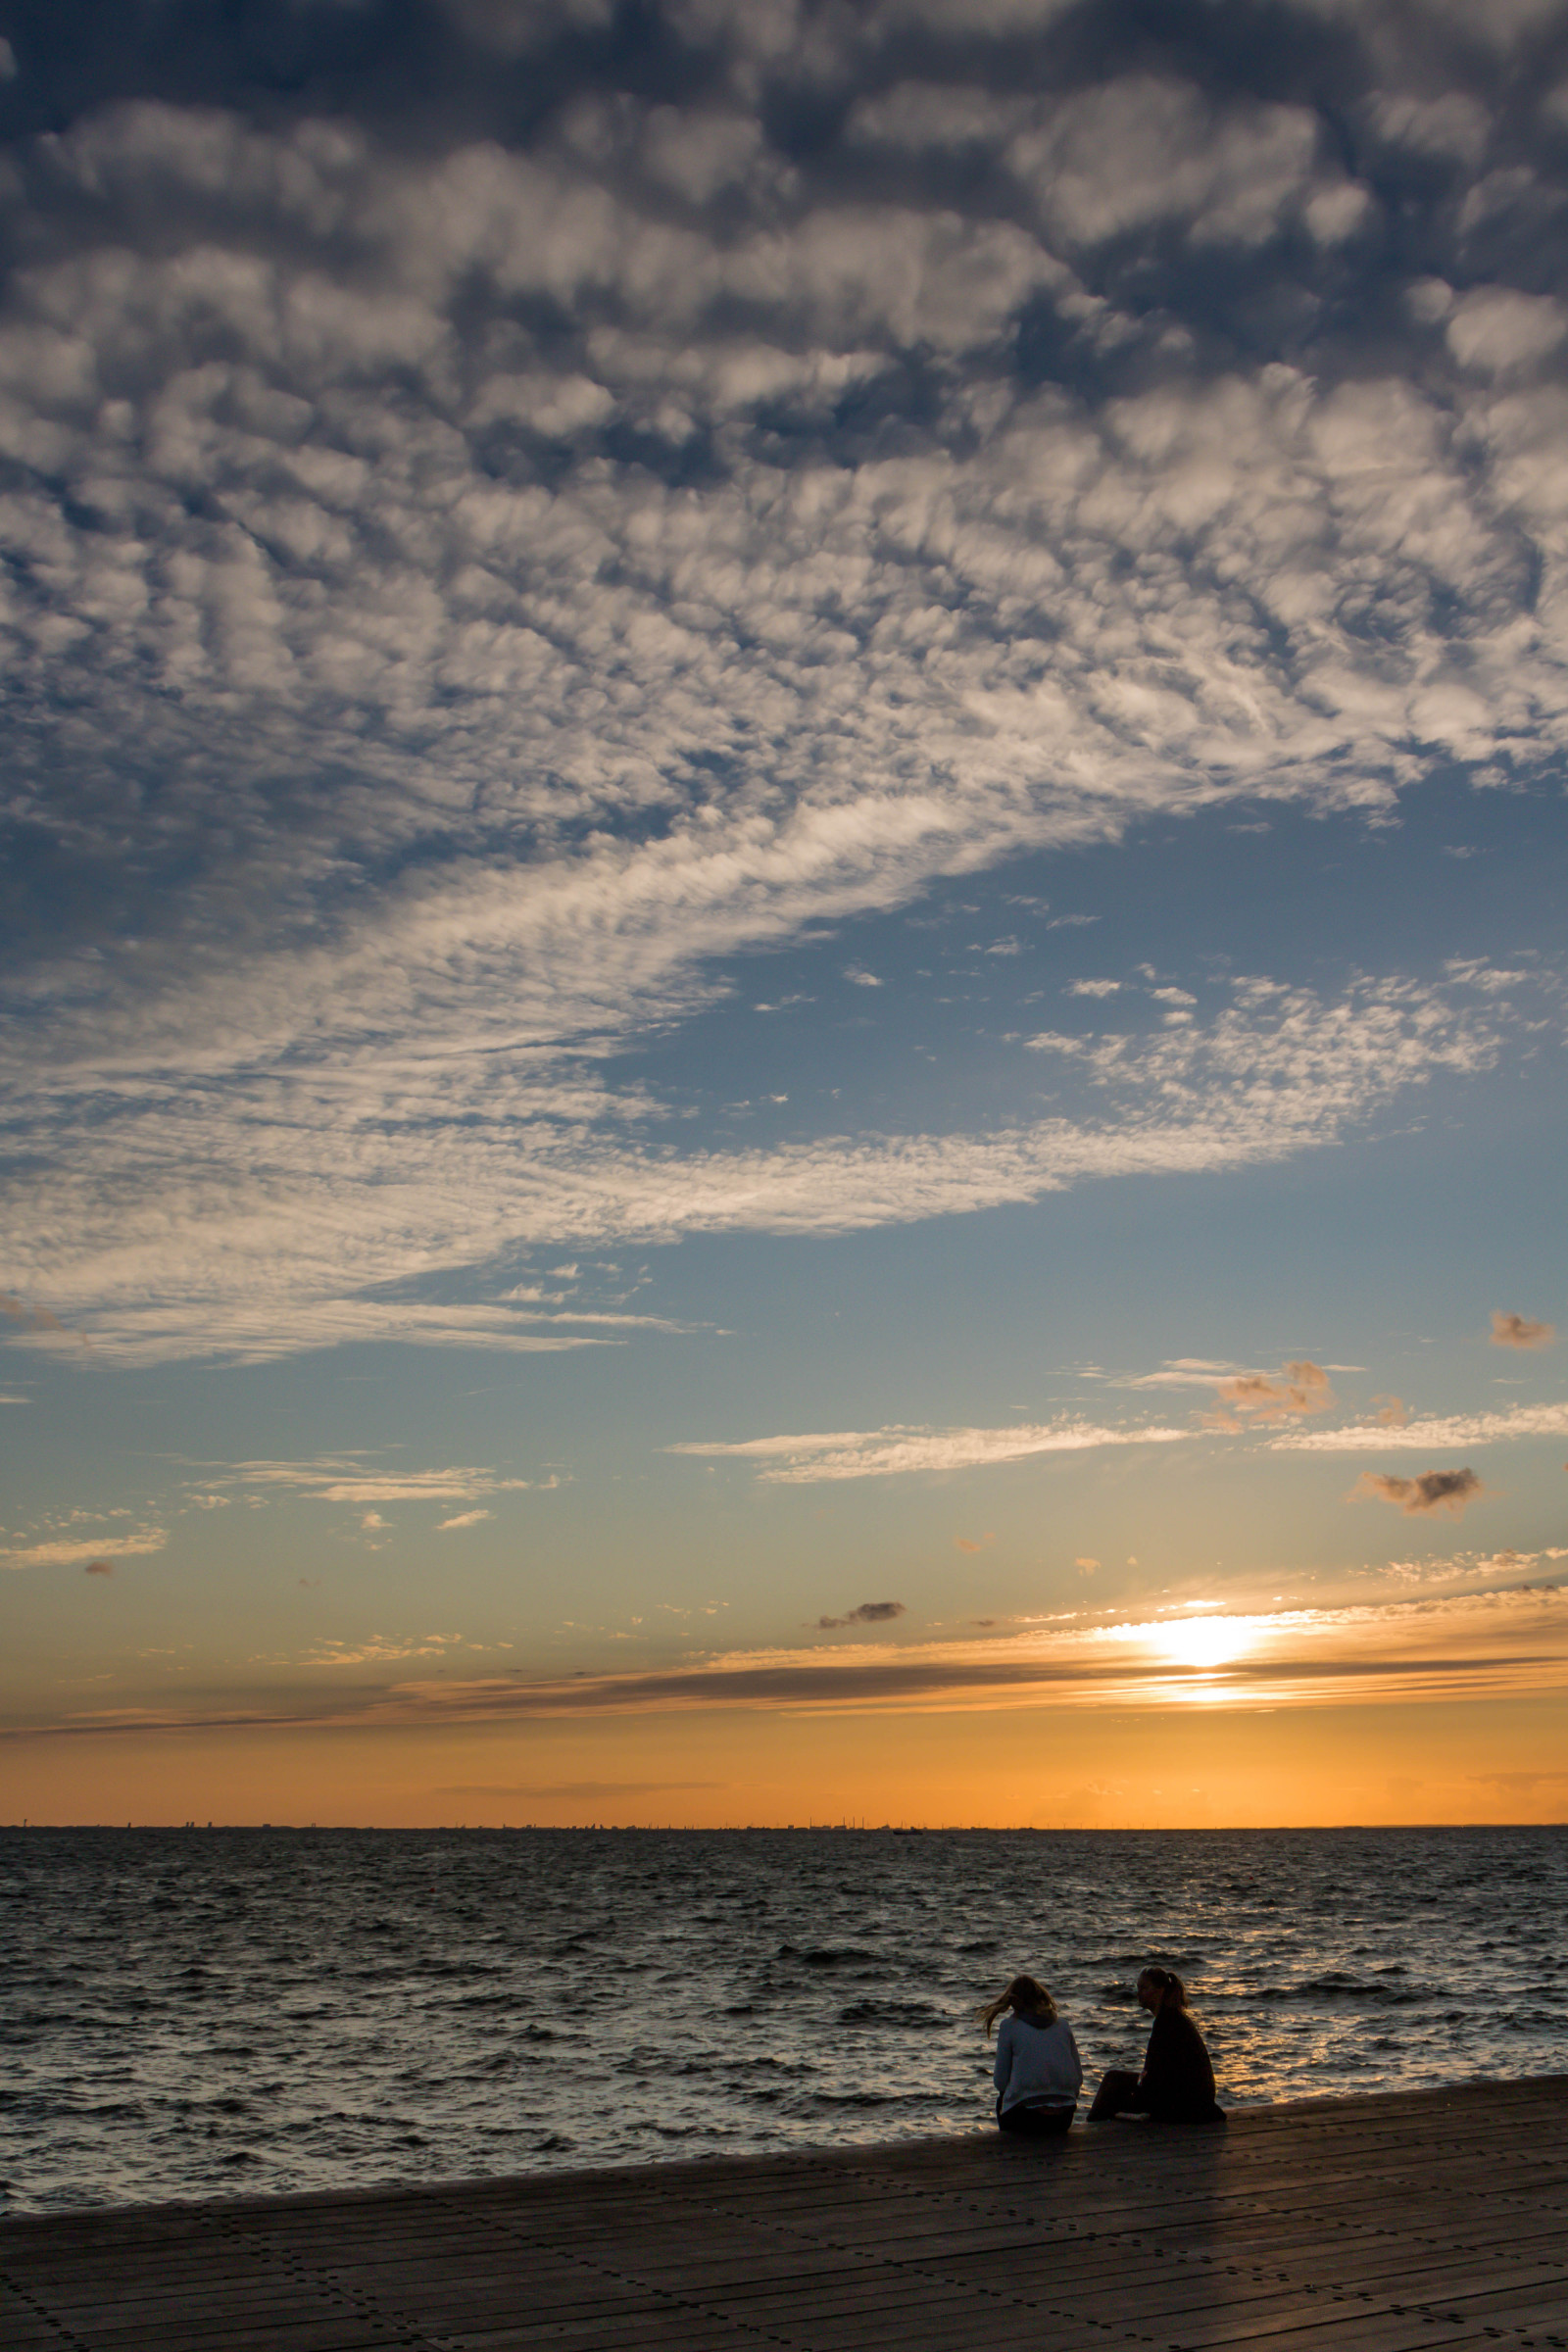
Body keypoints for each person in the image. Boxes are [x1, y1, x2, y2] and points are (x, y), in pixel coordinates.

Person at [1088, 1965, 1225, 2125]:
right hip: (1193, 2099)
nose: (1138, 1993)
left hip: (1184, 2104)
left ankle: (1092, 2126)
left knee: (1113, 2081)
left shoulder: (1167, 2024)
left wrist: (1139, 2096)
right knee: (1115, 2081)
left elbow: (1155, 2074)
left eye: (1144, 1988)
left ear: (1161, 1990)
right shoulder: (1173, 2018)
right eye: (1138, 1988)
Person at [976, 1974, 1083, 2135]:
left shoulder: (1009, 2026)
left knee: (1002, 2100)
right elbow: (1078, 2079)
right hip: (1063, 2119)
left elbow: (1000, 2083)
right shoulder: (1063, 2025)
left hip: (1027, 2119)